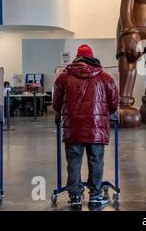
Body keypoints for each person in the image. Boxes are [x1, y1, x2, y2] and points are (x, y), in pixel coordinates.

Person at [53, 44, 118, 209]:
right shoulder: (105, 78)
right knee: (96, 161)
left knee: (73, 161)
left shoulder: (63, 77)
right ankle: (95, 196)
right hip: (97, 129)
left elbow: (56, 104)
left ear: (77, 57)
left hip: (73, 127)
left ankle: (75, 196)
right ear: (92, 57)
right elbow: (113, 105)